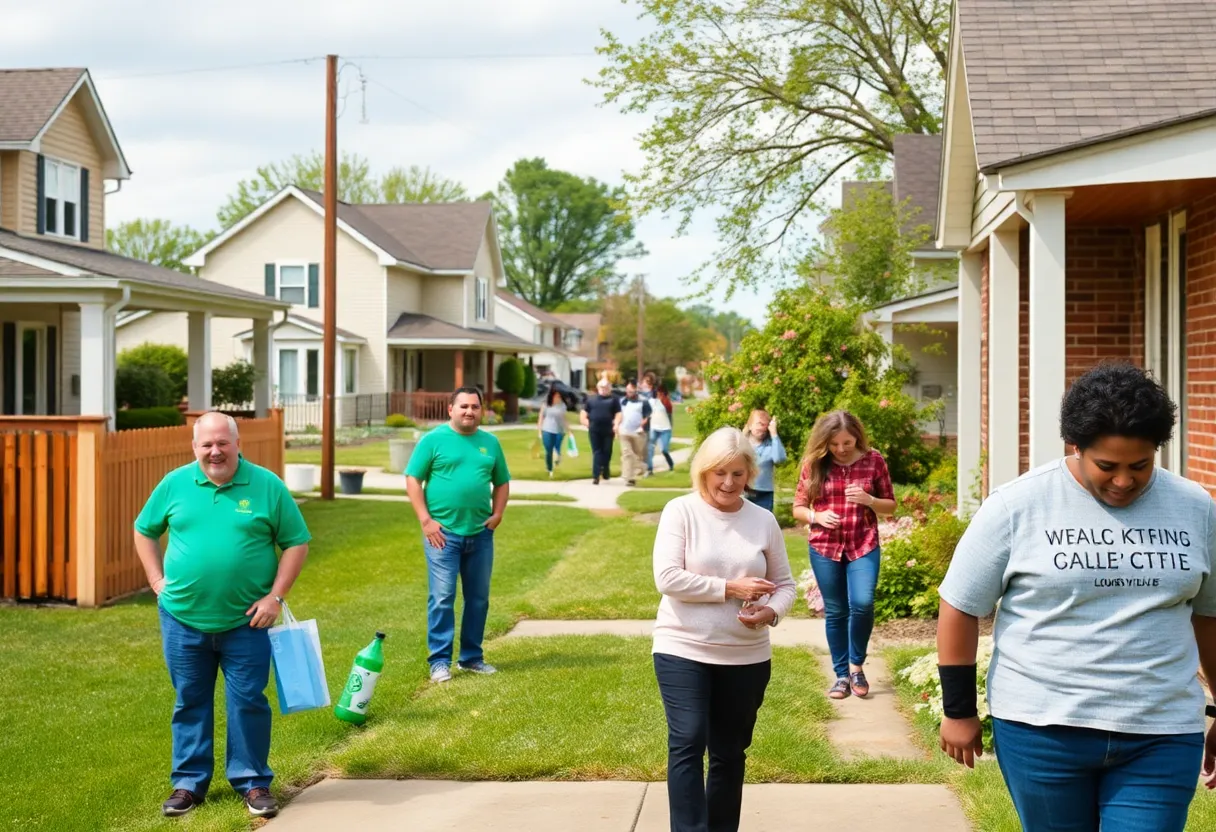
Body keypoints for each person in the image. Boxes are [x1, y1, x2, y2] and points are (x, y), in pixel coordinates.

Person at [937, 362, 1216, 831]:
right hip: (1042, 731)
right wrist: (959, 711)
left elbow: (1209, 616)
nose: (1124, 481)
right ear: (1076, 446)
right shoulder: (1019, 504)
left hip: (1161, 731)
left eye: (1140, 465)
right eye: (1107, 466)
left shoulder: (1195, 507)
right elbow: (961, 605)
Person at [133, 412, 311, 819]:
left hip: (248, 622)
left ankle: (253, 782)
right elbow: (144, 529)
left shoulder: (266, 485)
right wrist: (156, 580)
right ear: (195, 447)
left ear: (237, 443)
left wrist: (275, 598)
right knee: (190, 701)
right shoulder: (175, 483)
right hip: (182, 619)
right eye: (206, 444)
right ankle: (188, 784)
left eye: (222, 443)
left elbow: (297, 542)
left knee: (248, 700)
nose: (215, 451)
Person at [652, 426, 796, 832]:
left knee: (730, 753)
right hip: (683, 647)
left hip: (746, 655)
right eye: (720, 473)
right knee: (688, 741)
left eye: (737, 473)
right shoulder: (681, 511)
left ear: (750, 473)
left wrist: (770, 613)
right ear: (703, 472)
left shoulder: (763, 520)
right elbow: (667, 578)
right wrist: (731, 588)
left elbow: (785, 585)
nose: (729, 483)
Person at [406, 387, 511, 684]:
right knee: (442, 597)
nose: (469, 411)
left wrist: (498, 514)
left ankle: (471, 658)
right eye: (463, 406)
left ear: (481, 411)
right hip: (443, 535)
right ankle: (439, 662)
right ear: (450, 409)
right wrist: (426, 521)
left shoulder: (490, 443)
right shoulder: (433, 441)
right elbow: (413, 479)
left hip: (480, 534)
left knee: (478, 599)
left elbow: (501, 482)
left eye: (475, 407)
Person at [791, 410, 895, 700]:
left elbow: (891, 505)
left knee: (863, 602)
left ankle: (856, 666)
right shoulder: (814, 463)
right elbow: (798, 507)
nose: (840, 449)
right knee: (836, 611)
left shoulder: (874, 461)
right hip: (825, 547)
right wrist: (816, 516)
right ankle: (841, 676)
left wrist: (870, 500)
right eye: (834, 444)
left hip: (863, 543)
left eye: (847, 443)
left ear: (857, 437)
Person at [581, 378, 622, 485]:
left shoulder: (614, 400)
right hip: (594, 429)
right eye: (602, 387)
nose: (604, 389)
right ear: (598, 388)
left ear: (609, 388)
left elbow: (618, 413)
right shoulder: (591, 400)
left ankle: (606, 470)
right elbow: (583, 414)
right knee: (597, 452)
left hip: (608, 429)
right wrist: (587, 423)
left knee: (607, 451)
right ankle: (596, 475)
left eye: (606, 387)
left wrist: (616, 424)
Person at [744, 409, 786, 512]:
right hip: (744, 491)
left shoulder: (771, 445)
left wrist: (774, 434)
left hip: (765, 494)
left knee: (763, 526)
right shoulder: (742, 443)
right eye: (759, 424)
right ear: (750, 425)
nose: (762, 428)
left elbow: (779, 459)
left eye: (765, 425)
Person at [618, 380, 652, 486]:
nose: (629, 393)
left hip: (638, 433)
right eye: (627, 391)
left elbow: (647, 417)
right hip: (624, 431)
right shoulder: (622, 401)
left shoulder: (644, 402)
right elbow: (619, 414)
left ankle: (641, 469)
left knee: (636, 455)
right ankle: (628, 478)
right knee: (627, 454)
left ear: (636, 391)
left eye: (631, 391)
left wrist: (642, 424)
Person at [536, 386, 569, 478]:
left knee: (557, 449)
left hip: (559, 431)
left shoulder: (562, 405)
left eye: (559, 396)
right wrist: (539, 430)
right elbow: (541, 417)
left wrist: (569, 430)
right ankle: (549, 468)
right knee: (548, 450)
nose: (558, 398)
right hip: (547, 429)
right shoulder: (546, 404)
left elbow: (564, 418)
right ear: (552, 395)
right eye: (556, 395)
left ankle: (557, 460)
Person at [646, 383, 676, 476]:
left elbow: (669, 415)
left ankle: (670, 463)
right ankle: (649, 469)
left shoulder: (666, 403)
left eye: (660, 393)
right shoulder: (651, 401)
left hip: (665, 429)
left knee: (664, 450)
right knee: (650, 448)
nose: (658, 394)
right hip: (654, 428)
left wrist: (670, 427)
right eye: (657, 392)